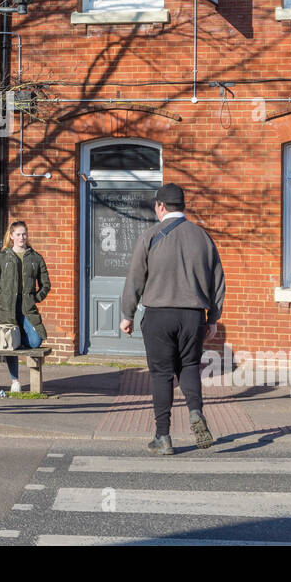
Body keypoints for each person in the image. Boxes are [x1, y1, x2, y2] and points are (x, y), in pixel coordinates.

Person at [120, 183, 226, 455]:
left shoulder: (150, 236)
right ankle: (195, 412)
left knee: (162, 374)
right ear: (183, 206)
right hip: (193, 316)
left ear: (161, 206)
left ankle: (163, 436)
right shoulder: (203, 237)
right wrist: (213, 317)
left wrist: (127, 314)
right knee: (190, 366)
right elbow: (218, 280)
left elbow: (135, 278)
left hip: (159, 314)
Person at [0, 220, 51, 393]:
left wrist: (36, 298)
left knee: (35, 341)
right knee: (10, 345)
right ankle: (15, 380)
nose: (21, 237)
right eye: (18, 234)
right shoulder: (2, 257)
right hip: (7, 308)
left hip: (27, 307)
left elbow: (46, 284)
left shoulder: (35, 257)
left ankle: (21, 340)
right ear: (11, 236)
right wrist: (1, 297)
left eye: (24, 234)